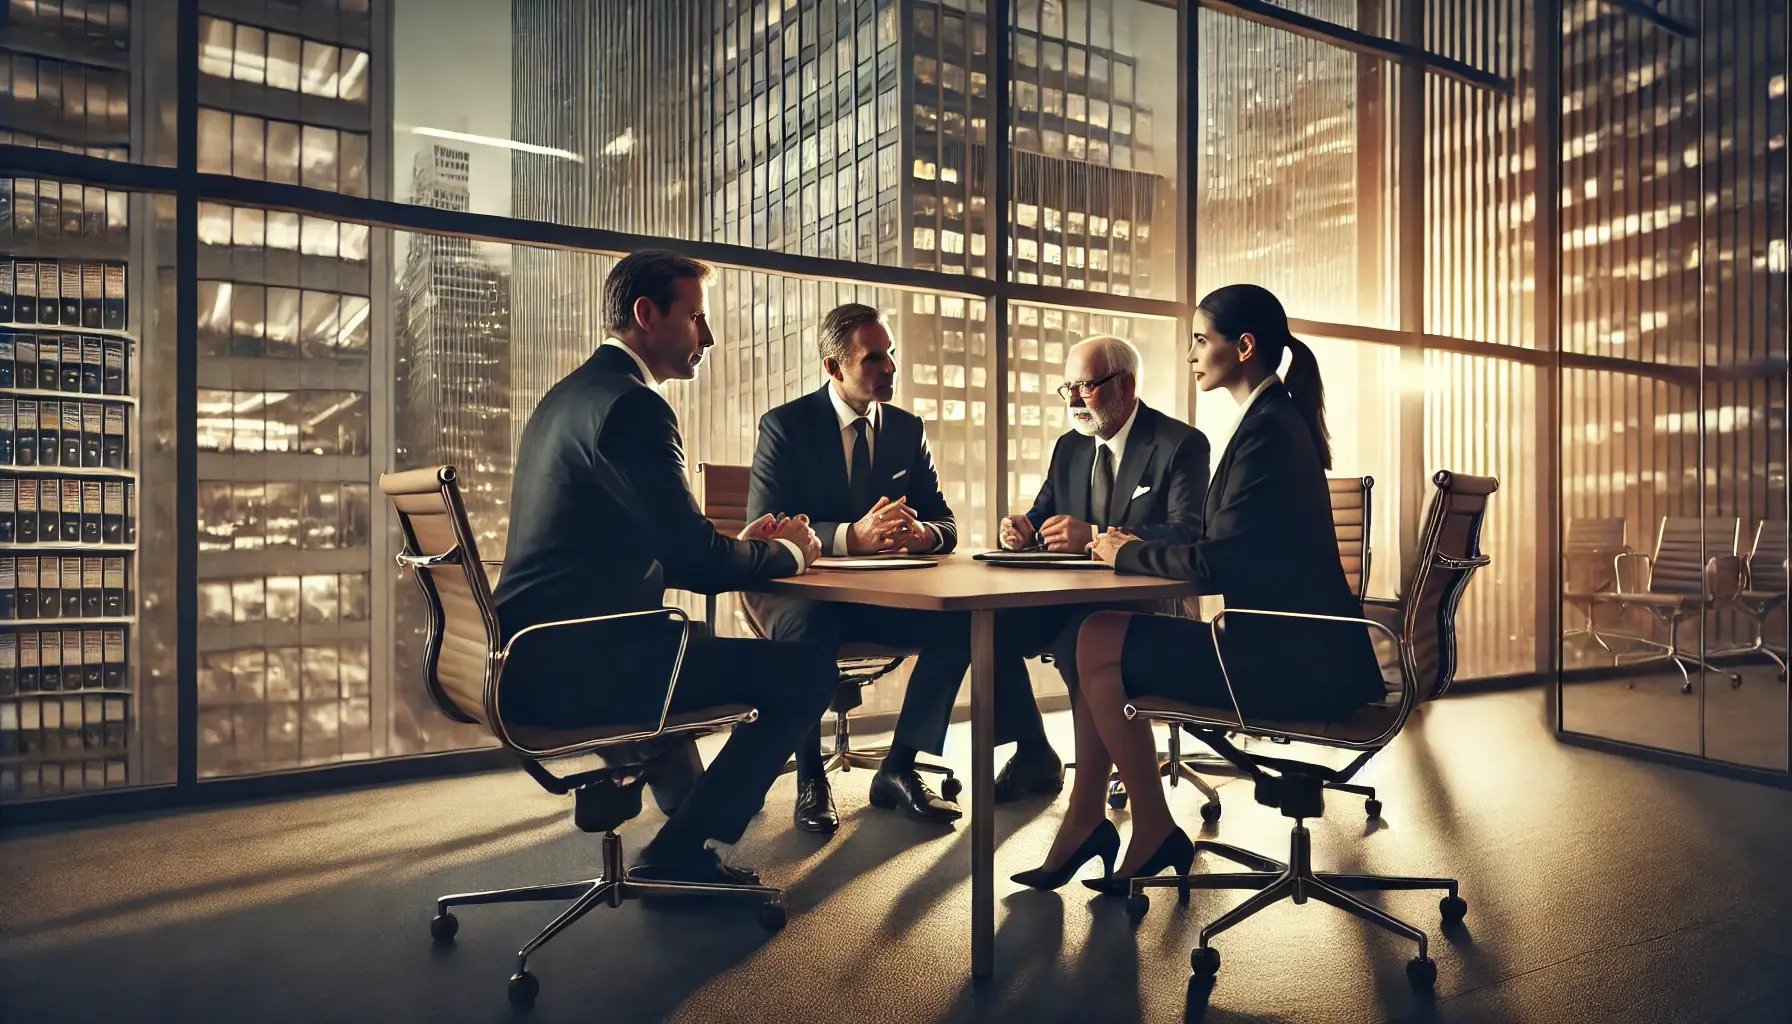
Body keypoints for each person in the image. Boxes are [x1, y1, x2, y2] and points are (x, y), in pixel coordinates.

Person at [1011, 283, 1384, 893]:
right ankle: (1106, 821)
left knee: (1095, 637)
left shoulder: (1265, 430)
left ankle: (1136, 825)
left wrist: (1124, 549)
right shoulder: (1272, 419)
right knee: (1090, 634)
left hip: (1286, 662)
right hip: (1300, 649)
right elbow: (1226, 546)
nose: (1190, 353)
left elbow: (1219, 563)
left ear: (1243, 347)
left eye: (1200, 340)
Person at [495, 249, 838, 887]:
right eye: (697, 319)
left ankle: (685, 813)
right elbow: (693, 562)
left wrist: (741, 544)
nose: (707, 337)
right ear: (646, 314)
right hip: (578, 665)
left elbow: (656, 537)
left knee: (692, 641)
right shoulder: (634, 407)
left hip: (525, 655)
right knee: (810, 670)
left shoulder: (569, 397)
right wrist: (790, 552)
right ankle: (681, 849)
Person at [746, 303, 967, 833]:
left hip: (881, 597)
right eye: (874, 358)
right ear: (833, 367)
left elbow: (948, 524)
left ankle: (899, 767)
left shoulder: (907, 430)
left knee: (960, 624)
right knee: (807, 631)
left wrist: (922, 535)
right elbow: (765, 527)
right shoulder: (785, 426)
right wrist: (851, 537)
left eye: (891, 354)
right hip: (804, 592)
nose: (890, 368)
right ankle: (809, 777)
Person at [989, 335, 1210, 802]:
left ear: (1125, 386)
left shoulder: (1179, 444)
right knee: (988, 628)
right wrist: (1022, 528)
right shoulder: (1070, 447)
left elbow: (1188, 533)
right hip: (1070, 596)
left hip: (1145, 602)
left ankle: (1096, 784)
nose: (1072, 400)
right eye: (1066, 388)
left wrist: (1093, 535)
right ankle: (1034, 753)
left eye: (1084, 386)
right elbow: (1044, 511)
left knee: (1078, 641)